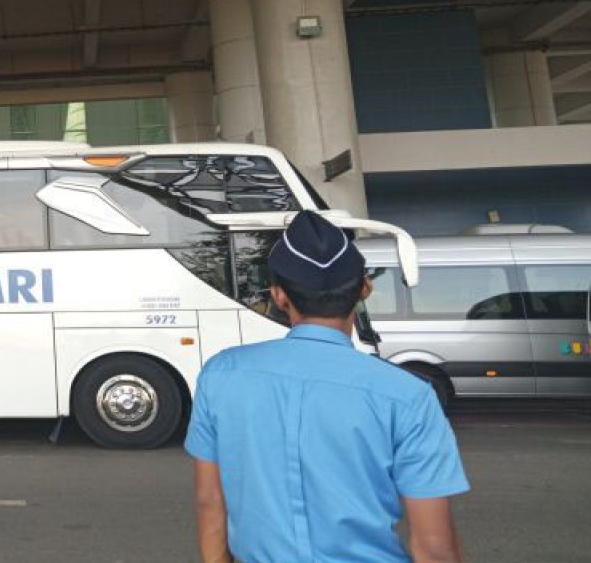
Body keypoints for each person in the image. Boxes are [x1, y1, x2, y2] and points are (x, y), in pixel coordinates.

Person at [185, 211, 469, 563]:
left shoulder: (221, 374)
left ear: (278, 296)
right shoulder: (408, 396)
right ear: (365, 289)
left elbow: (210, 501)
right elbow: (434, 548)